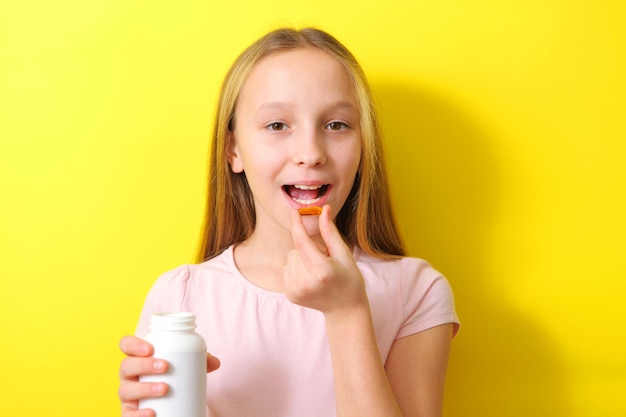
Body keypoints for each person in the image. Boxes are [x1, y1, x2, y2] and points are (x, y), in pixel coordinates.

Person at [118, 27, 460, 417]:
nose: (311, 153)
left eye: (336, 125)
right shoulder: (180, 297)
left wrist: (347, 312)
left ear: (363, 147)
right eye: (277, 125)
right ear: (233, 150)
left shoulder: (414, 292)